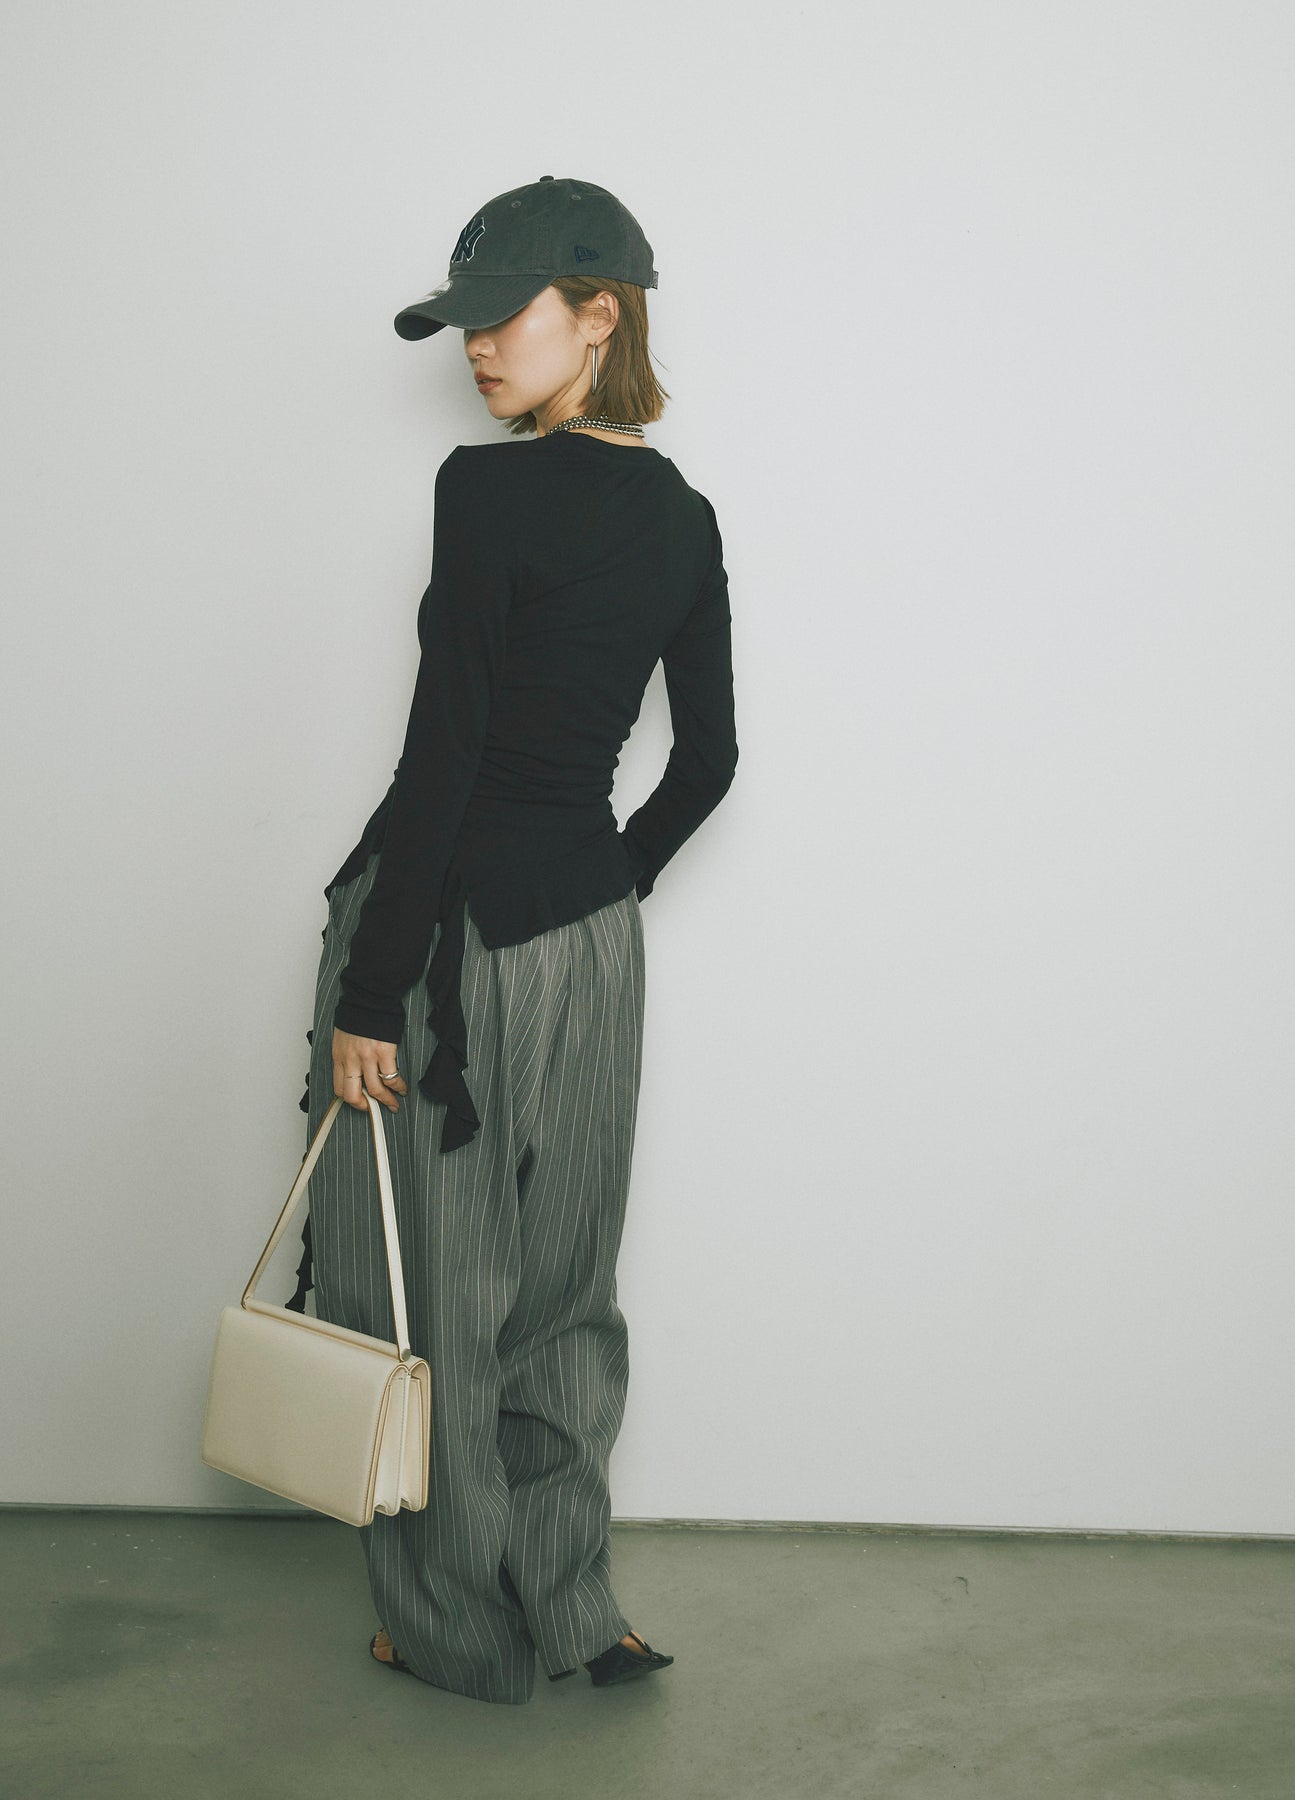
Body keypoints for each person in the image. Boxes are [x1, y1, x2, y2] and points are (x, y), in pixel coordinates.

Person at [292, 176, 738, 1706]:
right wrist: (603, 884)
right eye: (464, 324)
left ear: (597, 315)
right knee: (564, 1285)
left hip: (450, 943)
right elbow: (707, 764)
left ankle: (457, 1633)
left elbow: (445, 757)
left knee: (427, 1290)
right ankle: (572, 1607)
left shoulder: (482, 493)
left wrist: (371, 987)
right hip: (591, 946)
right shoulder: (684, 517)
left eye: (503, 317)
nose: (477, 348)